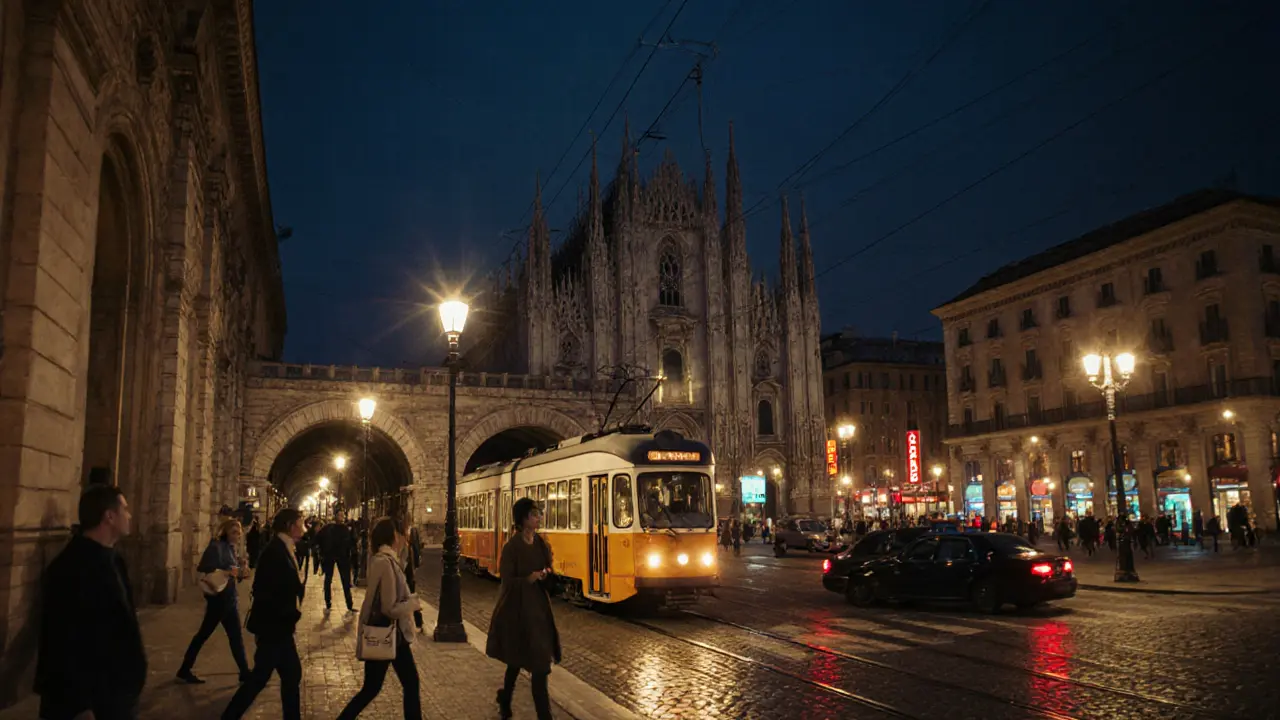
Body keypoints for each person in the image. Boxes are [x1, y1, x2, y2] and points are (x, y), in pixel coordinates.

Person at [35, 484, 147, 720]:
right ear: (109, 516)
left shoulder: (114, 559)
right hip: (94, 701)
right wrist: (80, 704)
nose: (129, 515)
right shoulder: (71, 567)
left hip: (117, 694)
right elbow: (62, 639)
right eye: (124, 509)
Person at [222, 508, 306, 720]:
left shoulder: (284, 548)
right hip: (274, 628)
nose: (303, 528)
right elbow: (265, 590)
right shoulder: (275, 551)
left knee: (290, 675)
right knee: (261, 679)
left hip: (280, 627)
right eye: (300, 523)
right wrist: (287, 613)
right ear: (289, 526)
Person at [336, 517, 423, 719]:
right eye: (402, 533)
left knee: (399, 684)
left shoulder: (384, 560)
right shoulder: (385, 563)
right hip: (388, 633)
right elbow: (389, 607)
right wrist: (413, 603)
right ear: (394, 536)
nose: (405, 537)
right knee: (375, 688)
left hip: (391, 633)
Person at [487, 498, 561, 720]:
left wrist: (546, 574)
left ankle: (541, 714)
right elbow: (506, 580)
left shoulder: (541, 544)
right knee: (516, 660)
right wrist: (527, 579)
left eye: (538, 514)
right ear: (523, 519)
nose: (538, 518)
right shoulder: (511, 548)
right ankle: (506, 698)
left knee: (539, 664)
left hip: (538, 611)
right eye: (534, 514)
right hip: (516, 611)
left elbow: (548, 567)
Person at [177, 518, 252, 684]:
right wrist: (227, 571)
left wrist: (241, 572)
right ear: (225, 531)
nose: (237, 536)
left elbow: (233, 574)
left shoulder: (231, 548)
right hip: (218, 600)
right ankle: (184, 669)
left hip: (229, 598)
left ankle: (244, 671)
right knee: (204, 635)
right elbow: (205, 568)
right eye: (234, 533)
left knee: (234, 636)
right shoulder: (216, 547)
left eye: (239, 533)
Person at [317, 510, 356, 613]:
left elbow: (351, 542)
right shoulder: (328, 528)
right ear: (335, 516)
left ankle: (349, 604)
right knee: (328, 579)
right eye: (340, 515)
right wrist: (323, 551)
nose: (341, 517)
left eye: (343, 515)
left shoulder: (345, 529)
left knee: (345, 581)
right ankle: (328, 602)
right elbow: (318, 538)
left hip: (342, 557)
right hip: (330, 556)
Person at [398, 515, 425, 631]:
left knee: (410, 596)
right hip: (408, 573)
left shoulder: (405, 540)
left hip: (407, 574)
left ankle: (417, 621)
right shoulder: (406, 538)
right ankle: (417, 621)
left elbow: (406, 558)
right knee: (411, 596)